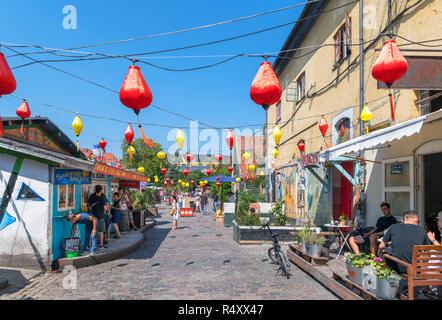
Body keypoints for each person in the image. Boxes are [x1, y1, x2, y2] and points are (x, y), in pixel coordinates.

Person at [87, 185, 109, 250]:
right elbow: (105, 207)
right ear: (101, 190)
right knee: (101, 231)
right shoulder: (102, 198)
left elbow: (89, 206)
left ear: (95, 190)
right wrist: (105, 211)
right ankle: (101, 245)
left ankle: (90, 245)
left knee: (92, 230)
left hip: (93, 216)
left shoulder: (92, 196)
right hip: (100, 216)